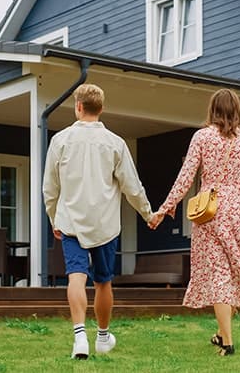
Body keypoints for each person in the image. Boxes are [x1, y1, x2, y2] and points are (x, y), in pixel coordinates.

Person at [148, 88, 240, 357]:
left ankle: (227, 343)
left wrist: (164, 209)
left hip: (210, 210)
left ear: (213, 110)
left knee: (219, 276)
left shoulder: (202, 137)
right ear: (237, 110)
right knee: (232, 274)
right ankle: (221, 334)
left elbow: (185, 177)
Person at [43, 83, 159, 360]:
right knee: (103, 282)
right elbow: (132, 186)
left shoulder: (60, 141)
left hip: (71, 221)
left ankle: (79, 337)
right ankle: (103, 338)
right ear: (101, 109)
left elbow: (50, 188)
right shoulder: (115, 143)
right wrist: (148, 214)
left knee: (76, 276)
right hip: (105, 225)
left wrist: (53, 217)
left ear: (78, 106)